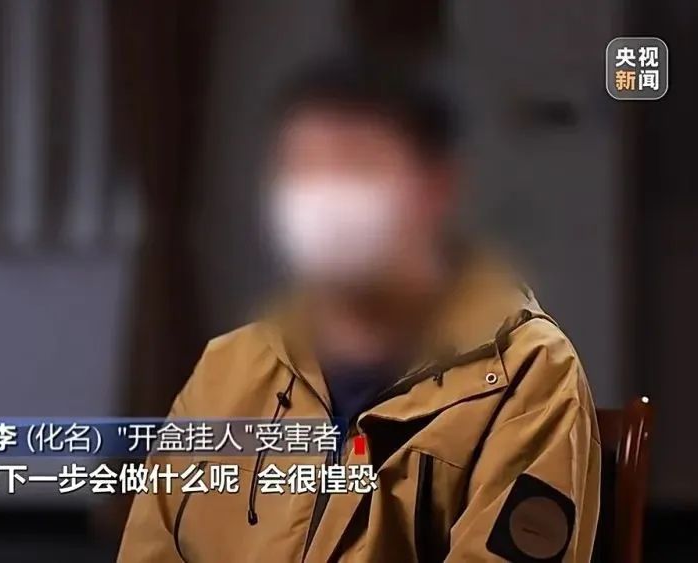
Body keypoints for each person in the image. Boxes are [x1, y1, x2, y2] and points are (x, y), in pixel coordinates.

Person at [118, 56, 600, 562]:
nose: (324, 200)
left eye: (355, 167)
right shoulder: (228, 367)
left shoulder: (527, 375)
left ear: (436, 189)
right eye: (301, 171)